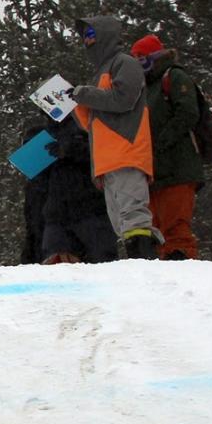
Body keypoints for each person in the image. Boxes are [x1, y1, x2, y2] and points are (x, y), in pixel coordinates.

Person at [69, 16, 158, 259]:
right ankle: (146, 259)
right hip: (107, 161)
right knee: (122, 222)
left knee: (133, 214)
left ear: (106, 34)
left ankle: (147, 262)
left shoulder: (125, 63)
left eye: (91, 35)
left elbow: (123, 99)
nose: (87, 41)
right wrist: (76, 102)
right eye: (85, 36)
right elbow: (94, 124)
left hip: (126, 151)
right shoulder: (99, 73)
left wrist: (84, 94)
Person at [133, 34, 205, 260]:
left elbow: (188, 113)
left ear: (154, 57)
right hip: (156, 170)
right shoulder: (146, 88)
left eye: (140, 58)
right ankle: (168, 273)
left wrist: (160, 141)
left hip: (178, 167)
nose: (137, 64)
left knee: (176, 227)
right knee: (158, 229)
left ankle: (183, 270)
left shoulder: (174, 76)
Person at [18, 119, 116, 265]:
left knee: (102, 264)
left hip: (91, 210)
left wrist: (72, 149)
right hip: (57, 213)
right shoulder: (46, 133)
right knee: (55, 268)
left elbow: (107, 154)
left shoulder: (93, 125)